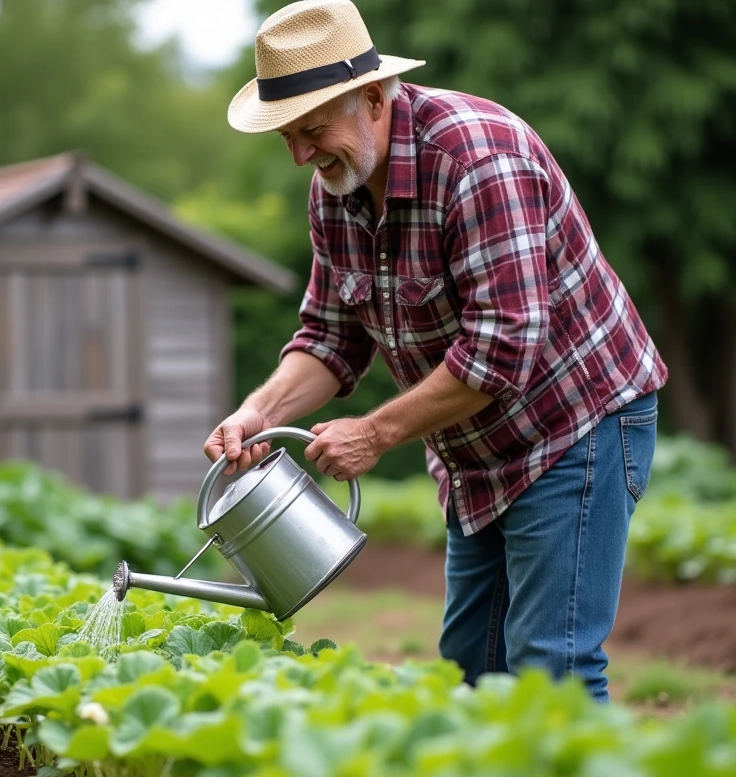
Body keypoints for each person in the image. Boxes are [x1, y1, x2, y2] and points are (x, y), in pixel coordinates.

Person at [204, 0, 667, 703]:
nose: (301, 153)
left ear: (369, 97)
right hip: (474, 448)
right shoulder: (337, 186)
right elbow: (331, 337)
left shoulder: (478, 159)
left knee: (553, 667)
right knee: (469, 664)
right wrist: (257, 412)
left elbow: (502, 348)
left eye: (312, 130)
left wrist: (376, 433)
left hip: (575, 423)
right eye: (287, 137)